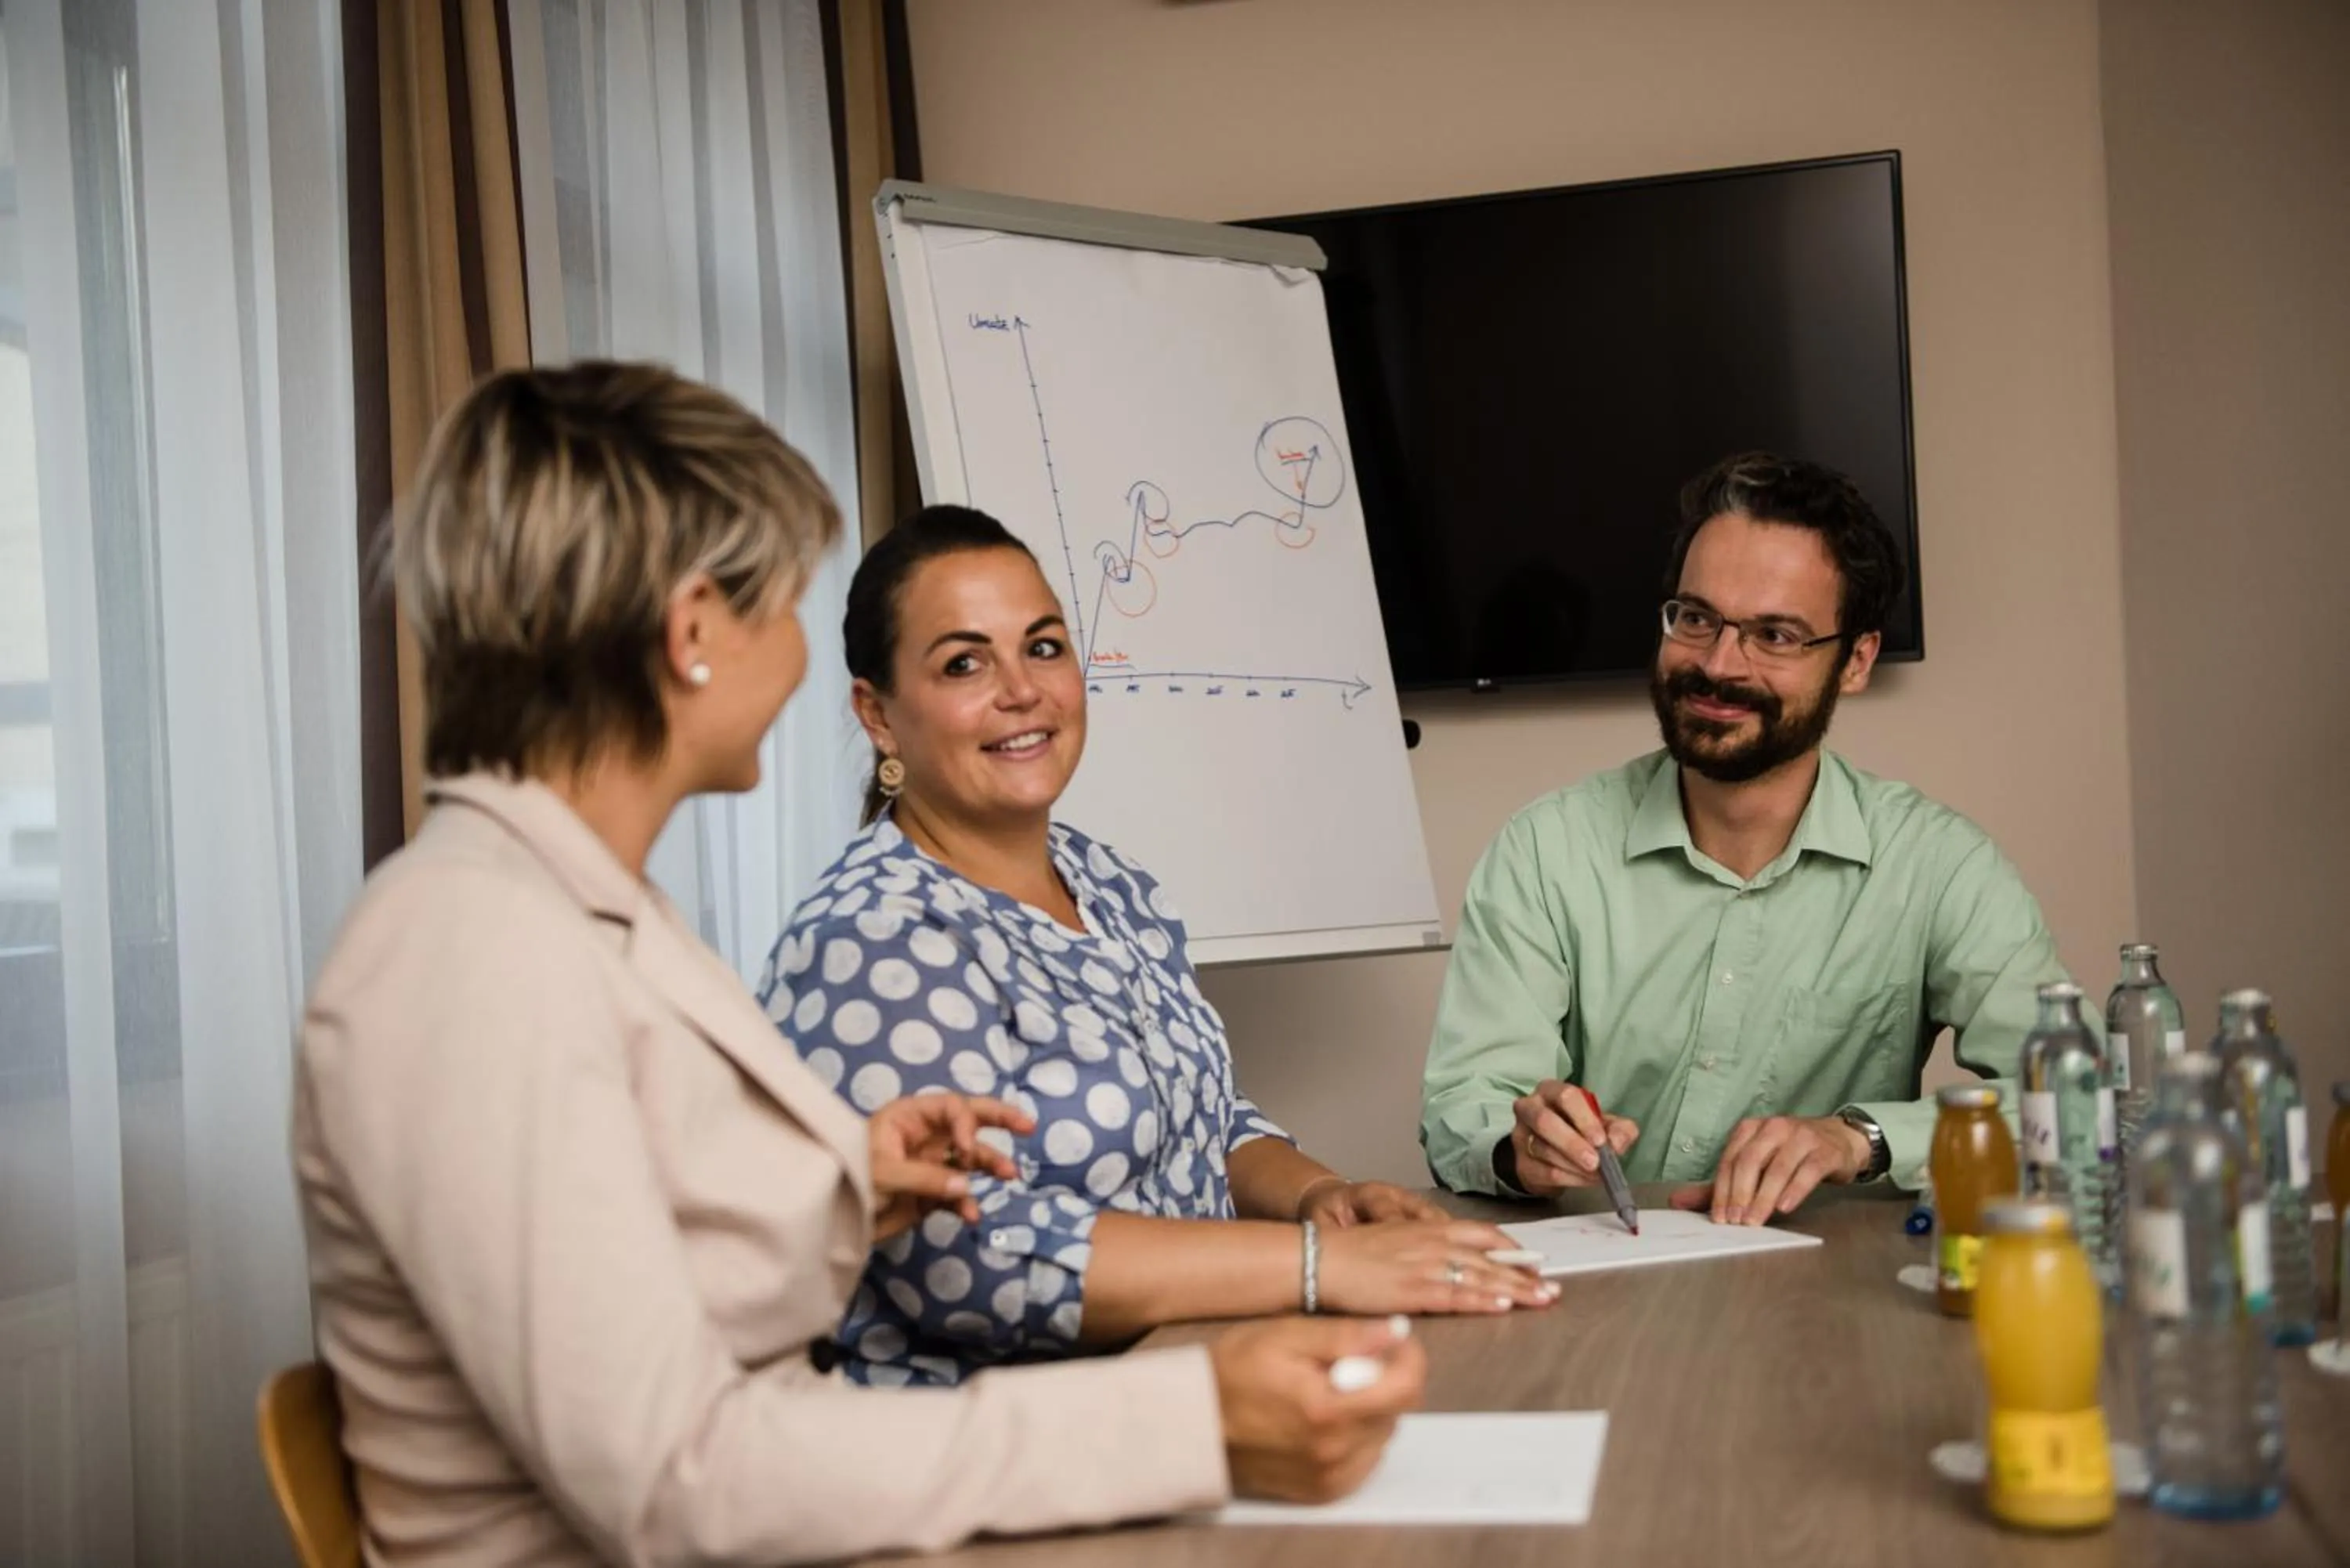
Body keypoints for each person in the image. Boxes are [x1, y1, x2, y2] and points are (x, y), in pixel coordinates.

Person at [294, 363, 1427, 1568]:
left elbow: (644, 1276)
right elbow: (681, 1482)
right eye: (779, 604)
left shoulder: (584, 915)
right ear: (691, 635)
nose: (791, 653)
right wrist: (1189, 1417)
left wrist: (845, 1189)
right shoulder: (472, 958)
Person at [757, 505, 1555, 1387]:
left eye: (1045, 645)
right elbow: (963, 1263)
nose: (1022, 688)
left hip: (1183, 1384)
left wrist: (1319, 1197)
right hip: (983, 1456)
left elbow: (1207, 1123)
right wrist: (1313, 1268)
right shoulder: (872, 937)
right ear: (878, 715)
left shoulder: (1113, 884)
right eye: (964, 662)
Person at [1419, 452, 2069, 1224]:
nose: (1719, 665)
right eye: (1696, 618)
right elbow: (1465, 1104)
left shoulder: (1940, 867)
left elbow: (2068, 1100)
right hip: (1601, 1296)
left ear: (1856, 660)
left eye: (1775, 633)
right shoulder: (1545, 851)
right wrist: (1515, 1147)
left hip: (1833, 1299)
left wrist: (1858, 1138)